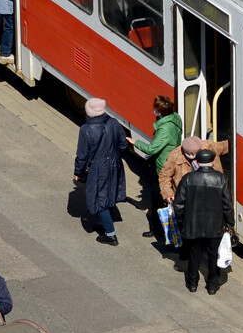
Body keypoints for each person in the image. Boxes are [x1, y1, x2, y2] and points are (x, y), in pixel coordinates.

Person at [159, 134, 230, 268]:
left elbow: (226, 146)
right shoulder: (174, 156)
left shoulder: (209, 146)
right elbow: (164, 176)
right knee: (187, 228)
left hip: (210, 195)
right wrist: (168, 193)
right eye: (189, 153)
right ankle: (186, 250)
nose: (192, 155)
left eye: (195, 153)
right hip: (188, 197)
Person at [172, 148, 233, 294]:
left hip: (193, 226)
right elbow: (227, 205)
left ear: (197, 162)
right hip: (215, 226)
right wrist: (229, 223)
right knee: (213, 256)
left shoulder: (188, 178)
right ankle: (212, 285)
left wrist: (181, 222)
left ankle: (192, 284)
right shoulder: (221, 179)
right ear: (213, 161)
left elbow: (179, 204)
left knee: (194, 256)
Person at [74, 97, 127, 246]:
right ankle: (105, 224)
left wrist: (78, 171)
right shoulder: (114, 123)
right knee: (109, 193)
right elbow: (123, 145)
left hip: (98, 168)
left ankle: (110, 234)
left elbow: (82, 155)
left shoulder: (86, 129)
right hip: (114, 164)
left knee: (99, 199)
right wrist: (115, 158)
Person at [131, 95, 182, 239]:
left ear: (160, 112)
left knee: (158, 199)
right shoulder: (175, 118)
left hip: (162, 166)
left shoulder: (165, 128)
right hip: (170, 163)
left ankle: (159, 231)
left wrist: (135, 142)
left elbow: (152, 149)